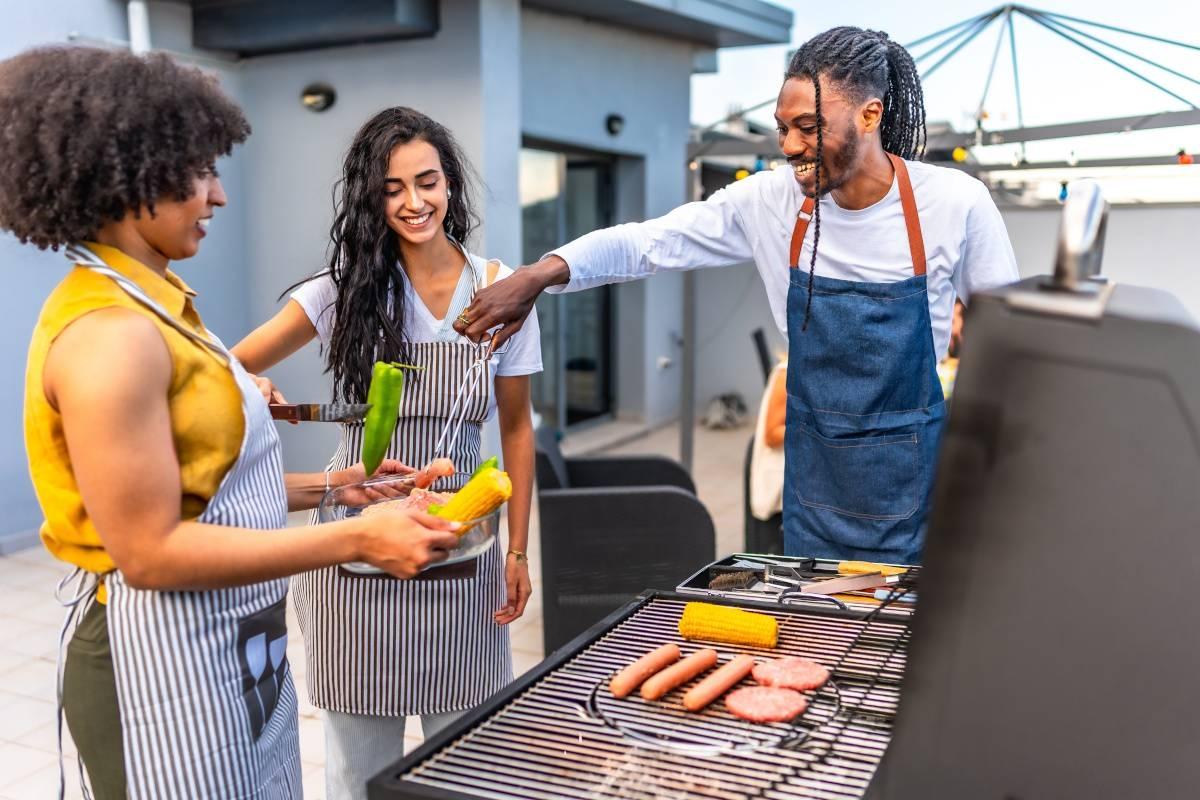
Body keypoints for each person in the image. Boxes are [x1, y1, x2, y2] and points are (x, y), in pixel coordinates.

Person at [2, 47, 460, 799]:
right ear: (131, 173)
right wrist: (353, 539)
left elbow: (205, 493)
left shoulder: (165, 307)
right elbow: (150, 550)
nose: (216, 196)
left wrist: (341, 486)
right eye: (198, 173)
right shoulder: (110, 337)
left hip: (225, 644)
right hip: (152, 660)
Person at [453, 27, 1020, 564]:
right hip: (813, 498)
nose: (790, 147)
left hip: (921, 499)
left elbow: (1010, 351)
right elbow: (649, 243)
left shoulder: (955, 204)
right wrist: (540, 274)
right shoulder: (769, 202)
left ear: (871, 114)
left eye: (808, 127)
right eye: (782, 129)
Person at [232, 107, 542, 799]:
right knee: (355, 770)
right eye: (392, 188)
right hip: (354, 553)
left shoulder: (503, 291)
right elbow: (219, 364)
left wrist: (519, 550)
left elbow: (517, 429)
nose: (413, 202)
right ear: (373, 200)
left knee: (462, 763)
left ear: (451, 185)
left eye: (426, 181)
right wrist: (251, 384)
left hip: (462, 551)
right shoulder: (343, 291)